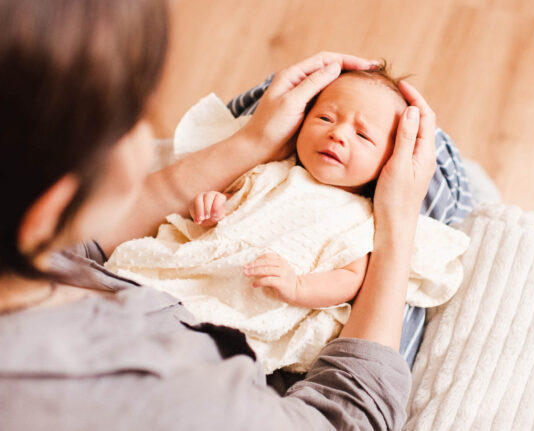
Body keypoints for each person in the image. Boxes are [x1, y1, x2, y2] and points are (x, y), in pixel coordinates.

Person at [0, 0, 437, 430]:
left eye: (361, 134)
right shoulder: (174, 398)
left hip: (260, 284)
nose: (339, 133)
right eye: (133, 116)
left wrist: (249, 145)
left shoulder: (36, 261)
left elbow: (348, 271)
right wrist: (400, 220)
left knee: (267, 100)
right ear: (51, 208)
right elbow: (350, 413)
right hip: (245, 321)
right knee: (444, 164)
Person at [106, 67, 468, 374]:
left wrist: (298, 287)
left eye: (362, 135)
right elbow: (234, 206)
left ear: (389, 162)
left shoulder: (362, 217)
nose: (337, 134)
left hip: (263, 297)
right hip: (205, 274)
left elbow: (350, 279)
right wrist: (214, 206)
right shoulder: (272, 171)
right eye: (325, 117)